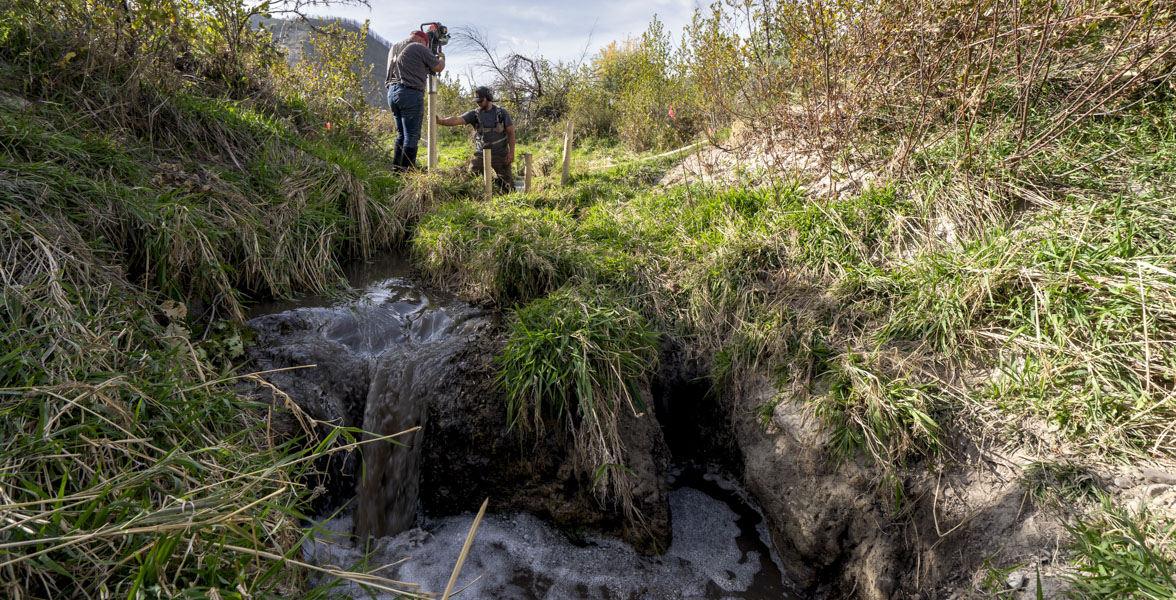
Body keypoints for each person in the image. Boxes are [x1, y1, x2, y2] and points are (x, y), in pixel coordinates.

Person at [435, 86, 515, 193]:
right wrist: (440, 121)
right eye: (477, 101)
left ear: (488, 98)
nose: (479, 103)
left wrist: (511, 152)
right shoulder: (474, 114)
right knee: (471, 180)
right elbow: (457, 119)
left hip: (500, 155)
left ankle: (502, 194)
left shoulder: (502, 113)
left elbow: (511, 133)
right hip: (481, 154)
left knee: (508, 186)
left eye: (481, 100)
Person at [386, 30, 445, 170]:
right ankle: (407, 172)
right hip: (410, 93)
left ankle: (397, 170)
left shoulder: (394, 47)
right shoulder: (418, 47)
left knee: (401, 134)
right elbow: (438, 67)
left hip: (392, 93)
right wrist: (441, 58)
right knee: (411, 135)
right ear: (422, 41)